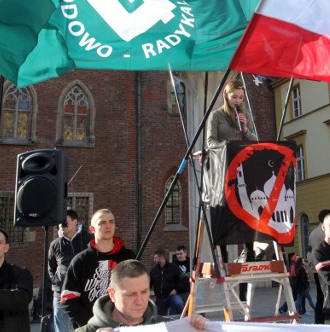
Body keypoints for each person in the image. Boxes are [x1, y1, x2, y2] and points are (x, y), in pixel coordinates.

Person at [206, 79, 257, 264]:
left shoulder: (243, 115)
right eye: (234, 96)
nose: (237, 100)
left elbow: (254, 141)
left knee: (245, 207)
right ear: (226, 96)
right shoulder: (216, 116)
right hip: (222, 168)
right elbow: (210, 142)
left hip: (242, 167)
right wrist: (226, 145)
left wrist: (245, 129)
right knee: (224, 209)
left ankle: (249, 250)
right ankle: (224, 254)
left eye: (240, 97)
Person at [75, 260, 206, 332]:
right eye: (131, 294)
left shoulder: (167, 328)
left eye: (144, 292)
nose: (140, 301)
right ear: (112, 295)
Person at [61, 209, 136, 328]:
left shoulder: (129, 258)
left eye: (111, 222)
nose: (108, 226)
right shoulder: (80, 261)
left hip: (124, 326)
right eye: (102, 223)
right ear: (92, 229)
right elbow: (68, 299)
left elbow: (139, 292)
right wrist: (93, 324)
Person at [48, 208, 93, 332]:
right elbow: (51, 267)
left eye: (64, 222)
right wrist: (57, 282)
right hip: (61, 293)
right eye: (59, 223)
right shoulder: (55, 244)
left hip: (83, 292)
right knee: (61, 328)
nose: (61, 226)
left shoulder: (90, 240)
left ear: (75, 221)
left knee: (84, 327)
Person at [308, 209, 330, 324]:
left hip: (316, 269)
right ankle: (324, 321)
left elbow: (310, 251)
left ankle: (319, 322)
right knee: (328, 296)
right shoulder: (325, 232)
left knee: (320, 297)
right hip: (327, 269)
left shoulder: (313, 232)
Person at [149, 248, 184, 316]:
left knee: (179, 303)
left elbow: (181, 280)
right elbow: (150, 284)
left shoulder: (173, 267)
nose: (154, 260)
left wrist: (176, 289)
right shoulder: (153, 271)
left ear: (161, 257)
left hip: (171, 296)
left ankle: (180, 319)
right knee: (160, 317)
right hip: (160, 298)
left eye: (156, 258)